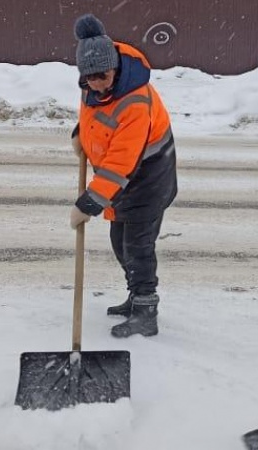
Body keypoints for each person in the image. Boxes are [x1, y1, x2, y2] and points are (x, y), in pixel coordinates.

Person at [68, 14, 177, 338]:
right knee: (120, 242)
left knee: (138, 246)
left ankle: (146, 310)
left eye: (102, 75)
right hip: (124, 182)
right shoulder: (92, 87)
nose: (97, 83)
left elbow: (121, 161)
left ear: (114, 67)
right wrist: (80, 136)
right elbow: (94, 119)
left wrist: (88, 204)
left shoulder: (134, 100)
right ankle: (135, 296)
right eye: (90, 78)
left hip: (147, 180)